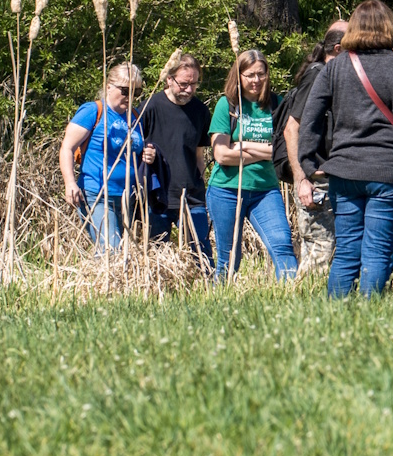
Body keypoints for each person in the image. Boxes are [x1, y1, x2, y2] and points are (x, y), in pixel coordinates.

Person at [297, 1, 393, 298]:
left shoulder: (334, 68)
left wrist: (309, 164)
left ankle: (337, 317)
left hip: (345, 171)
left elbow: (309, 117)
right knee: (377, 249)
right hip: (389, 173)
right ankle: (368, 315)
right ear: (390, 27)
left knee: (348, 250)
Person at [207, 48, 298, 279]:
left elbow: (286, 149)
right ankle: (220, 301)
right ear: (238, 76)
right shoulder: (226, 105)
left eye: (261, 74)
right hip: (226, 189)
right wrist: (267, 152)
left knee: (282, 244)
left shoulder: (277, 104)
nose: (256, 80)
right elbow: (221, 155)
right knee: (229, 257)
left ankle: (293, 299)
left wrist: (243, 146)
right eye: (250, 75)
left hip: (265, 189)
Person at [137, 51, 214, 257]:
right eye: (183, 84)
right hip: (157, 197)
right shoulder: (149, 107)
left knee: (202, 254)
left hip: (191, 197)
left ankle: (210, 289)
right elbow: (131, 148)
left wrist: (201, 184)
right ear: (169, 79)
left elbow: (199, 155)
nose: (189, 90)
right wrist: (143, 153)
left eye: (194, 84)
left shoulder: (201, 111)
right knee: (155, 256)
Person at [62, 63, 147, 250]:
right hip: (97, 193)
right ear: (109, 87)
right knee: (110, 250)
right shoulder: (93, 111)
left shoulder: (134, 116)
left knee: (125, 253)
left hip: (126, 197)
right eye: (125, 90)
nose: (130, 97)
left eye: (136, 92)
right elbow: (67, 148)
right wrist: (70, 183)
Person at [284, 23, 344, 274]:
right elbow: (291, 128)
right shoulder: (318, 74)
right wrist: (301, 180)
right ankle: (304, 306)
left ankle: (315, 306)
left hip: (334, 177)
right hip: (316, 180)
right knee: (321, 249)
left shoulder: (336, 76)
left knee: (332, 251)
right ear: (339, 49)